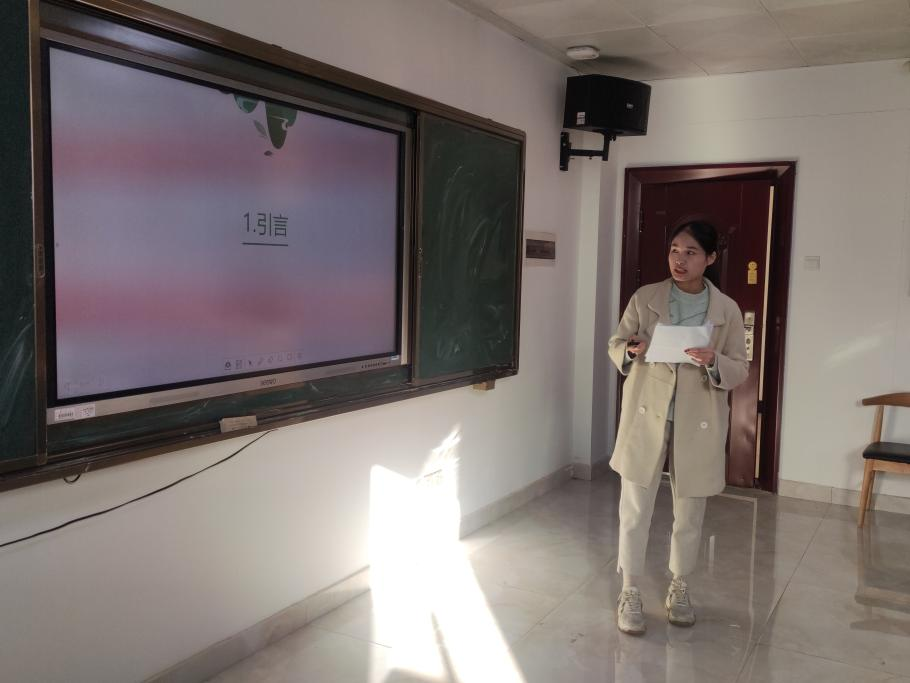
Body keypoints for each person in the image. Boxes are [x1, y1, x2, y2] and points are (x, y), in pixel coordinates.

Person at [607, 220, 749, 635]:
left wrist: (714, 361)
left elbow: (740, 368)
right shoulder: (645, 297)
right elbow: (617, 344)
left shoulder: (726, 309)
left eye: (690, 252)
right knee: (635, 509)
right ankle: (630, 590)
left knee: (689, 511)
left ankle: (680, 585)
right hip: (646, 413)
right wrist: (633, 349)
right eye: (674, 250)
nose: (679, 259)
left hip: (697, 420)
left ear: (710, 258)